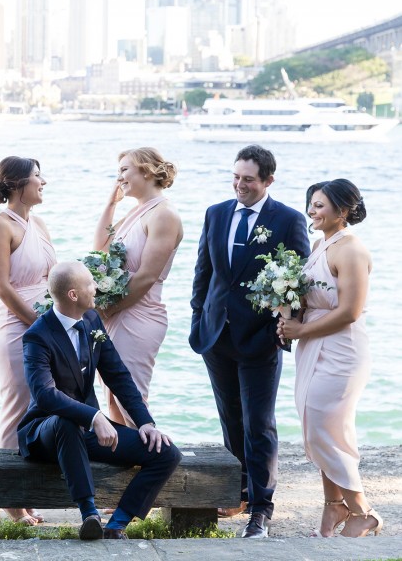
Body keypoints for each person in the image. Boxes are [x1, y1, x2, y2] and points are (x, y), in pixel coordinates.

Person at [189, 144, 309, 538]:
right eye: (236, 177)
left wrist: (283, 326)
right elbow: (203, 273)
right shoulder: (216, 213)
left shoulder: (288, 220)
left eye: (249, 179)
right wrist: (197, 319)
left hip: (259, 339)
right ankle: (238, 488)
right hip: (216, 335)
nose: (240, 185)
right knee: (231, 419)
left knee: (259, 424)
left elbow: (298, 282)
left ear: (268, 181)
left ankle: (261, 508)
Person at [17, 261, 182, 540]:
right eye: (90, 283)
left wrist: (145, 422)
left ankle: (117, 525)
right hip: (44, 432)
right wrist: (94, 417)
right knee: (65, 422)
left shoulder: (92, 320)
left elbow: (117, 374)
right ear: (73, 294)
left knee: (166, 453)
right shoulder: (37, 336)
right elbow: (45, 395)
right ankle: (89, 514)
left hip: (88, 430)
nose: (96, 287)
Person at [278, 179, 382, 538]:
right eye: (311, 204)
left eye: (320, 205)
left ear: (344, 210)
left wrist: (301, 331)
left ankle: (363, 511)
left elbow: (350, 311)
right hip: (314, 346)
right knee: (317, 426)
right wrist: (289, 313)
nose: (312, 211)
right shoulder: (321, 245)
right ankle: (333, 507)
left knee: (325, 428)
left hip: (341, 350)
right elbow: (317, 299)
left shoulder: (350, 249)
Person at [0, 155, 56, 525]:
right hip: (16, 328)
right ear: (16, 184)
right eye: (37, 177)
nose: (43, 183)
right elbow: (3, 287)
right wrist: (37, 325)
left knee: (40, 410)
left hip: (45, 324)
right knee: (16, 407)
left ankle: (28, 492)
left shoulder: (39, 223)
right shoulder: (0, 225)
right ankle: (10, 501)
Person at [93, 147, 182, 428]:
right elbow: (100, 250)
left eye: (124, 170)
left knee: (131, 399)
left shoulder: (163, 215)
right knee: (111, 398)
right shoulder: (136, 212)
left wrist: (107, 309)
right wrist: (110, 204)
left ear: (145, 170)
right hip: (117, 312)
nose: (119, 177)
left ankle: (154, 462)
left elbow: (145, 277)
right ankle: (127, 464)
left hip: (140, 315)